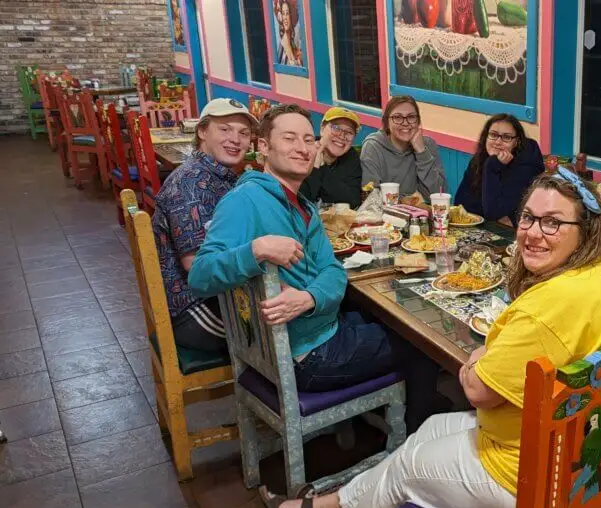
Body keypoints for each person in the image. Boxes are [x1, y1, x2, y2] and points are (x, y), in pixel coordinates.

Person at [259, 170, 601, 508]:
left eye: (553, 222)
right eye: (528, 217)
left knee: (408, 468)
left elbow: (477, 390)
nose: (532, 233)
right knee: (432, 428)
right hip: (585, 469)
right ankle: (334, 504)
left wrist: (477, 360)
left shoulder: (548, 310)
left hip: (539, 493)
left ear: (586, 230)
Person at [188, 104, 440, 427]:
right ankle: (414, 442)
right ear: (263, 147)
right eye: (290, 138)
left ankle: (389, 414)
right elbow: (200, 275)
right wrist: (257, 249)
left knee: (392, 321)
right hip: (308, 356)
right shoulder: (245, 200)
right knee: (423, 342)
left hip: (319, 332)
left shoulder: (303, 206)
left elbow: (334, 272)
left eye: (308, 140)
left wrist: (308, 299)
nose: (302, 148)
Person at [152, 98, 257, 352]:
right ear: (202, 131)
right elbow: (197, 265)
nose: (235, 139)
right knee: (288, 329)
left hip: (219, 296)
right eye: (225, 129)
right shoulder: (191, 184)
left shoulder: (220, 176)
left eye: (243, 133)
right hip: (193, 310)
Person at [454, 113, 544, 225]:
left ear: (517, 142)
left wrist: (491, 166)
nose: (497, 142)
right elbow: (461, 204)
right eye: (493, 135)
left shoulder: (526, 166)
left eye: (506, 137)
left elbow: (493, 212)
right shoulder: (479, 159)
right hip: (479, 230)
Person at [360, 95, 446, 200]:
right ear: (387, 122)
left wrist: (421, 152)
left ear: (418, 121)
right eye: (397, 117)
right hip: (384, 214)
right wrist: (406, 202)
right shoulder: (373, 147)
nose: (405, 123)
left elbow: (440, 195)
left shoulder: (428, 145)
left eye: (411, 117)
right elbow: (371, 196)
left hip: (421, 214)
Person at [300, 106, 362, 207]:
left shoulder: (350, 156)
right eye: (336, 128)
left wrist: (322, 167)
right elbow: (302, 200)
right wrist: (315, 167)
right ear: (322, 129)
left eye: (349, 132)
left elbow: (353, 201)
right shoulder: (303, 152)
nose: (342, 136)